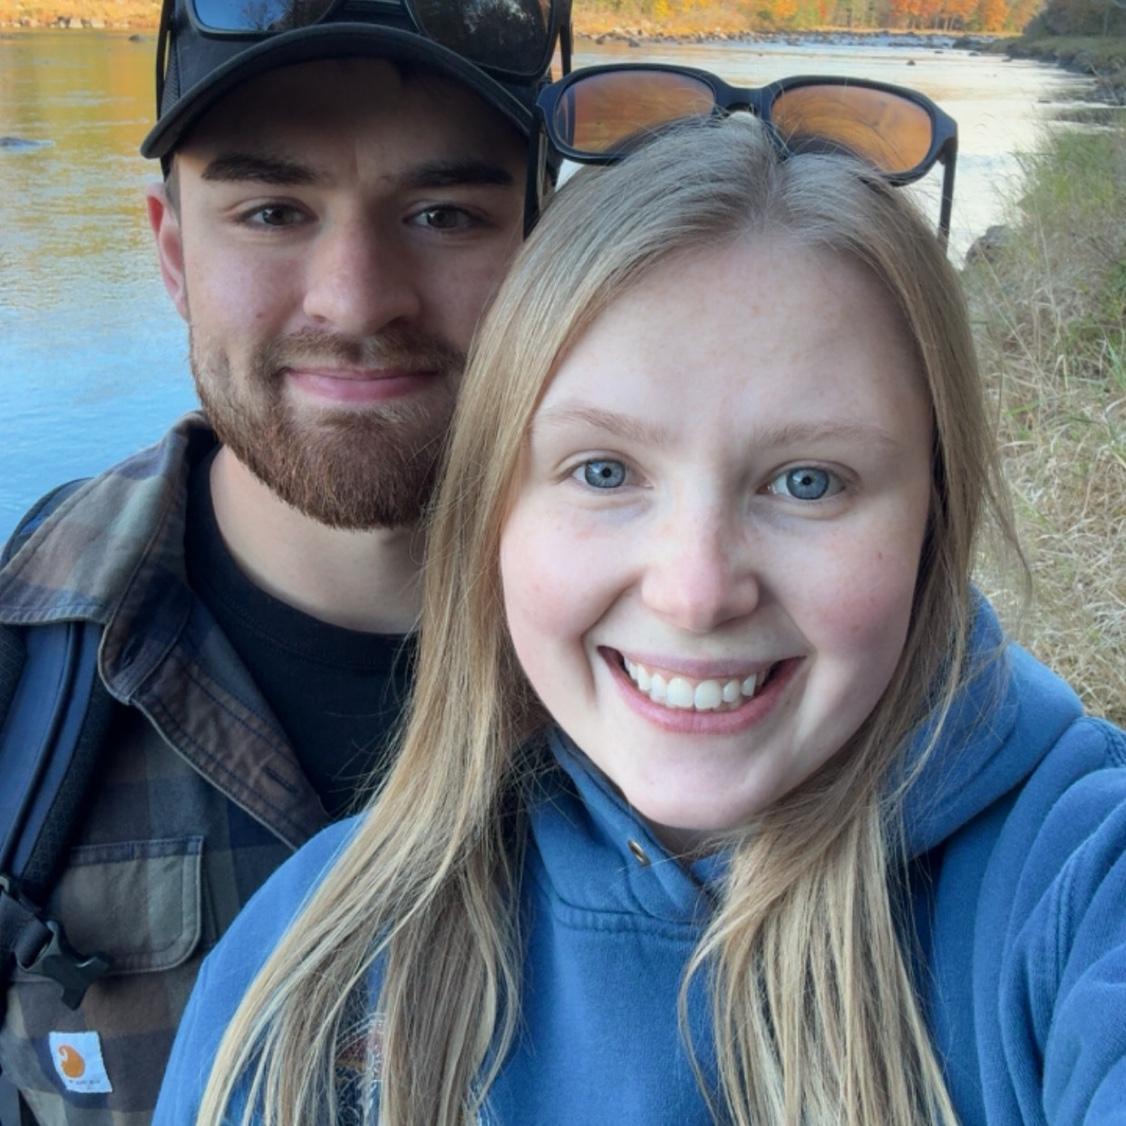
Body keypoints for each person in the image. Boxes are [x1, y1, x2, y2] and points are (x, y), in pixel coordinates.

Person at [151, 105, 1126, 1124]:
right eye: (604, 470)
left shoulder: (1079, 885)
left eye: (807, 481)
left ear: (934, 510)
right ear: (495, 513)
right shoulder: (310, 960)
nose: (695, 590)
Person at [0, 0, 568, 1120]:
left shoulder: (707, 666)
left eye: (445, 214)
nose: (355, 300)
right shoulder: (21, 671)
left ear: (548, 251)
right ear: (172, 252)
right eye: (271, 211)